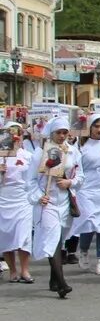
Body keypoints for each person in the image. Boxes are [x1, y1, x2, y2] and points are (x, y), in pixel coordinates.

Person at [30, 118, 81, 298]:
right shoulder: (39, 154)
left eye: (64, 132)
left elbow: (80, 176)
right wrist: (38, 196)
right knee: (51, 239)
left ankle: (53, 279)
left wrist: (70, 182)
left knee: (59, 240)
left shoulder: (73, 152)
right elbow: (30, 182)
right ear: (51, 133)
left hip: (65, 202)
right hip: (48, 202)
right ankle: (62, 283)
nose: (61, 136)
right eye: (58, 132)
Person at [73, 113, 100, 276]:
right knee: (89, 223)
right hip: (86, 189)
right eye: (96, 126)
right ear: (89, 128)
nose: (99, 129)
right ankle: (83, 251)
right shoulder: (80, 145)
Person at [0, 121, 35, 283]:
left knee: (24, 235)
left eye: (18, 134)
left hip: (23, 200)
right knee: (6, 235)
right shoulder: (1, 155)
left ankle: (25, 270)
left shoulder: (28, 156)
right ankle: (13, 271)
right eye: (11, 134)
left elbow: (33, 178)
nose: (15, 138)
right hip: (4, 199)